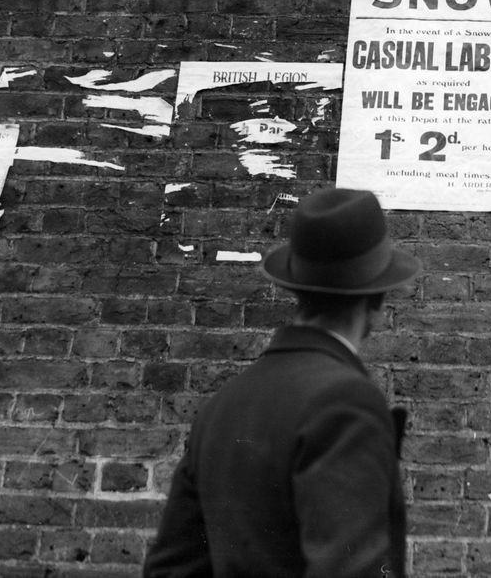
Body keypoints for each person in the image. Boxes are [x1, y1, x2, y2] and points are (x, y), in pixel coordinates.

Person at [144, 188, 421, 578]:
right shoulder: (346, 403)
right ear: (375, 299)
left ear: (298, 288)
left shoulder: (224, 405)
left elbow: (170, 569)